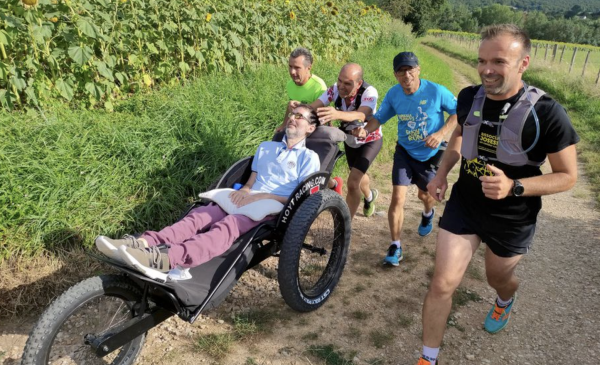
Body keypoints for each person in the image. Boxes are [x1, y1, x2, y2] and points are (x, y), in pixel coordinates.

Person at [416, 24, 579, 365]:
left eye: (499, 61)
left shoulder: (547, 112)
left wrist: (515, 186)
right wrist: (442, 174)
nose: (487, 69)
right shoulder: (468, 97)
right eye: (481, 61)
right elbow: (460, 133)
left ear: (523, 63)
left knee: (497, 278)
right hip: (466, 203)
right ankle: (427, 359)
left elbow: (567, 177)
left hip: (513, 214)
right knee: (443, 283)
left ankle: (505, 300)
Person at [96, 105, 321, 277]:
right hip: (250, 197)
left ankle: (167, 259)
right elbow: (254, 176)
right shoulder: (266, 147)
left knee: (227, 226)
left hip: (273, 205)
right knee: (198, 216)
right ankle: (142, 243)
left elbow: (301, 195)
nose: (293, 117)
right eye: (292, 114)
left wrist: (264, 196)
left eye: (300, 116)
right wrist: (245, 190)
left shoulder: (309, 158)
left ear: (310, 128)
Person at [353, 52, 458, 266]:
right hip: (405, 151)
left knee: (425, 195)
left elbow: (458, 113)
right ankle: (395, 246)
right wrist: (365, 130)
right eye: (401, 71)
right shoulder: (394, 94)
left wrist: (441, 134)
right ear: (395, 74)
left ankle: (428, 212)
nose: (406, 74)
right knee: (397, 198)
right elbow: (379, 118)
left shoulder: (436, 91)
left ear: (418, 69)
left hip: (431, 154)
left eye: (410, 69)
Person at [294, 63, 381, 218]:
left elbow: (362, 114)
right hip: (350, 141)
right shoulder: (335, 89)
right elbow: (314, 106)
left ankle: (344, 226)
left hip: (369, 141)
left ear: (358, 83)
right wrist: (300, 110)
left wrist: (337, 114)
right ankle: (369, 197)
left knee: (353, 182)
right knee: (359, 177)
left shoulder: (369, 92)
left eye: (347, 83)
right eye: (340, 80)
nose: (341, 86)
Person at [275, 47, 343, 195]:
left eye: (297, 68)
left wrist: (302, 108)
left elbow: (323, 114)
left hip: (316, 129)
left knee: (315, 170)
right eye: (290, 67)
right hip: (299, 129)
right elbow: (292, 108)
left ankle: (333, 184)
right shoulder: (290, 85)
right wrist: (283, 123)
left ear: (308, 68)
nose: (292, 72)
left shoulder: (318, 86)